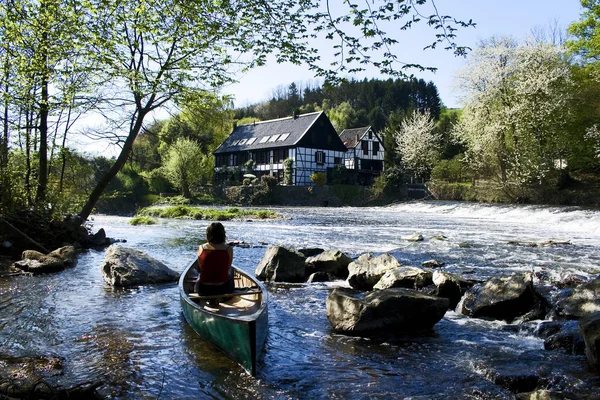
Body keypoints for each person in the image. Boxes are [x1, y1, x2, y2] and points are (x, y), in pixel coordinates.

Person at [194, 222, 235, 296]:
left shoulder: (201, 248)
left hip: (203, 289)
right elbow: (228, 267)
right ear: (223, 235)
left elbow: (201, 267)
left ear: (208, 234)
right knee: (232, 269)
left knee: (200, 275)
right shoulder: (229, 249)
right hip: (224, 289)